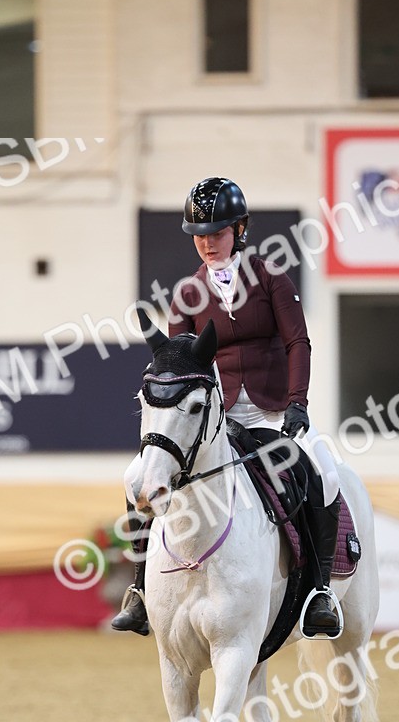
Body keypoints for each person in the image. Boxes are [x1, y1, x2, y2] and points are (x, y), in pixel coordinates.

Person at [112, 176, 343, 639]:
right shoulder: (186, 295)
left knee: (325, 472)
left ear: (239, 231)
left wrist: (298, 403)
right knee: (139, 478)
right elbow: (177, 362)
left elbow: (298, 341)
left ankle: (320, 592)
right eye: (199, 235)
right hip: (218, 418)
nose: (206, 243)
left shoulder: (272, 278)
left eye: (216, 233)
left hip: (276, 409)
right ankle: (139, 590)